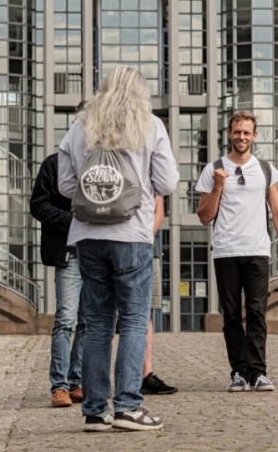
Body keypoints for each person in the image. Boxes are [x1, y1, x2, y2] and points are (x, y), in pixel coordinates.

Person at [59, 65, 179, 431]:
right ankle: (128, 407)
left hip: (88, 234)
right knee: (133, 321)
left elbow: (66, 186)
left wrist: (98, 196)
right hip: (132, 233)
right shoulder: (150, 125)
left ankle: (95, 411)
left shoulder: (81, 126)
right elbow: (167, 182)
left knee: (97, 323)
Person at [196, 111, 278, 393]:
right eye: (237, 132)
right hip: (226, 250)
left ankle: (258, 372)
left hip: (257, 250)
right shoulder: (214, 168)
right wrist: (218, 185)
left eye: (246, 132)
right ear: (229, 134)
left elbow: (277, 212)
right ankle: (239, 372)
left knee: (256, 312)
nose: (241, 137)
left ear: (254, 135)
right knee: (230, 315)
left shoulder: (265, 169)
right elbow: (204, 216)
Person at [30, 151, 85, 408]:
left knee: (89, 323)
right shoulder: (54, 163)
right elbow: (38, 205)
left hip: (98, 253)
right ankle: (60, 386)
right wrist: (73, 221)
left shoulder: (103, 161)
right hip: (69, 253)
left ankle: (76, 382)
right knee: (65, 320)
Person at [141, 196, 178, 395]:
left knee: (146, 313)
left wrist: (143, 238)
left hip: (147, 248)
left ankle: (146, 375)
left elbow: (159, 212)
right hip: (115, 244)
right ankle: (100, 379)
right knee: (109, 315)